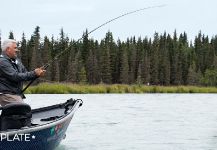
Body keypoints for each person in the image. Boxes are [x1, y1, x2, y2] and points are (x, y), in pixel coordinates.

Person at [0, 39, 46, 106]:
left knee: (20, 112)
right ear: (8, 49)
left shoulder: (17, 60)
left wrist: (37, 74)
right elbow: (15, 76)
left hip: (15, 94)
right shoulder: (2, 62)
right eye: (15, 48)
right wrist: (34, 73)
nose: (17, 50)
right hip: (6, 94)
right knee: (22, 110)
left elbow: (25, 74)